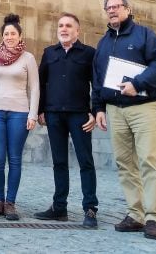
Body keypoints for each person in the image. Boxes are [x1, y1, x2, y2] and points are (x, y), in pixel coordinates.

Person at [93, 0, 156, 240]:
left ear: (127, 9)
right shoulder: (103, 43)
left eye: (117, 7)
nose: (113, 11)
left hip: (145, 106)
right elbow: (97, 80)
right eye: (109, 8)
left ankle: (154, 218)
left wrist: (137, 83)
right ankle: (135, 214)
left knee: (149, 161)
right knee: (125, 164)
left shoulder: (144, 35)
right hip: (115, 110)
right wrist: (99, 108)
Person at [34, 13, 99, 228]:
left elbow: (96, 84)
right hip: (54, 115)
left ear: (77, 31)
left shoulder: (89, 53)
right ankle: (59, 207)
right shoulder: (49, 53)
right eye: (61, 25)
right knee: (59, 162)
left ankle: (90, 209)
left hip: (80, 115)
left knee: (85, 161)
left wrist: (95, 111)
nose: (64, 29)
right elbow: (41, 84)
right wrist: (41, 110)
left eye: (69, 26)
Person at [0, 13, 39, 221]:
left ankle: (10, 203)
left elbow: (34, 87)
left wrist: (32, 113)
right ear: (2, 36)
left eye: (13, 33)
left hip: (19, 113)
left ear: (20, 36)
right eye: (6, 34)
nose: (9, 36)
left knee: (14, 159)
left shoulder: (28, 58)